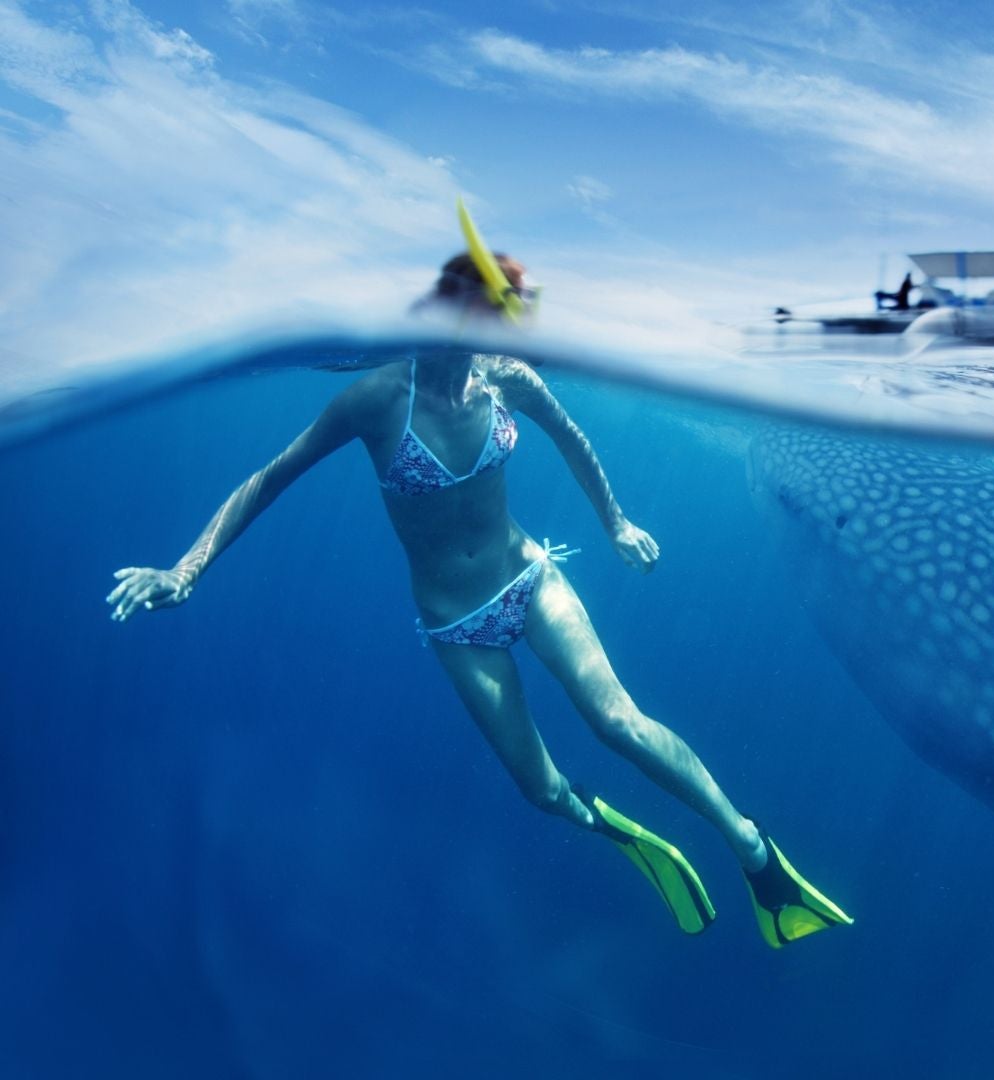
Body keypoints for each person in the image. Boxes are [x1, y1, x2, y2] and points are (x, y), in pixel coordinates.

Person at [105, 204, 851, 949]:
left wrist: (615, 521)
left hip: (529, 578)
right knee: (542, 791)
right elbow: (272, 477)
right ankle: (618, 831)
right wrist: (188, 568)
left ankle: (756, 855)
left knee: (617, 721)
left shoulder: (508, 380)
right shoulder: (374, 400)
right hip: (456, 624)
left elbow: (573, 438)